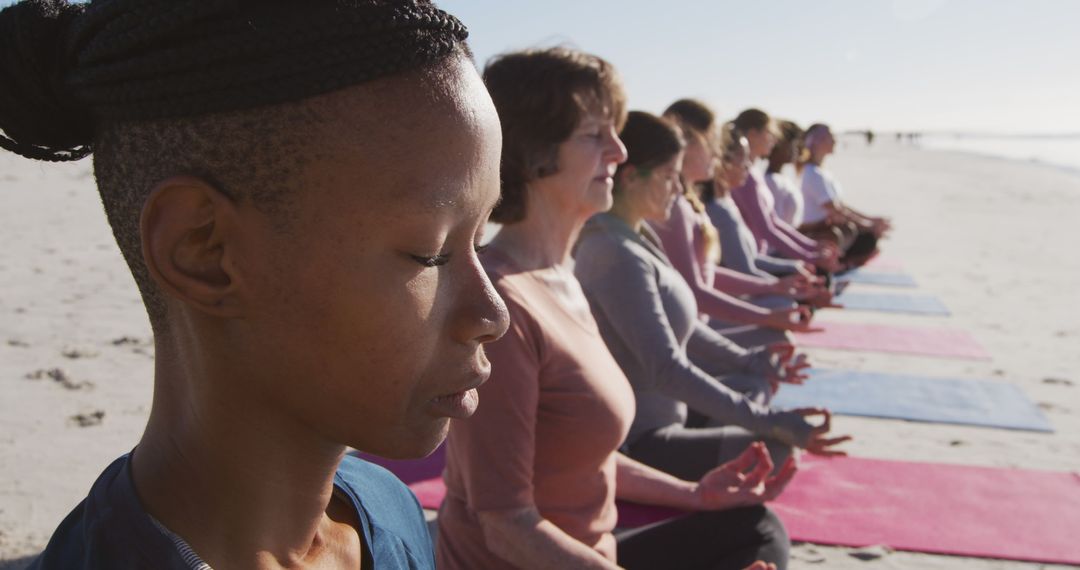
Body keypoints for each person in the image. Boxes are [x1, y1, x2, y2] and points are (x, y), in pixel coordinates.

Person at [1, 1, 510, 568]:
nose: (492, 314)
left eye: (480, 242)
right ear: (205, 253)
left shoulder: (386, 506)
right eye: (431, 253)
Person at [439, 48, 797, 570]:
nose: (619, 151)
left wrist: (695, 494)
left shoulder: (562, 278)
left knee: (754, 525)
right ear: (534, 154)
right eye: (595, 135)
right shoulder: (502, 306)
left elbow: (587, 456)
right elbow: (505, 527)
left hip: (593, 553)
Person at [575, 110, 849, 484]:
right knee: (778, 451)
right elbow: (666, 366)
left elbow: (683, 329)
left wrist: (751, 361)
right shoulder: (614, 252)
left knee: (755, 391)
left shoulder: (637, 237)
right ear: (631, 178)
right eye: (670, 177)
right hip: (642, 440)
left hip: (673, 414)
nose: (678, 188)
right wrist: (772, 421)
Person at [652, 100, 819, 340]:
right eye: (712, 143)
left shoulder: (687, 204)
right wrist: (765, 314)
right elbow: (695, 291)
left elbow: (706, 275)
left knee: (779, 309)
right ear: (686, 144)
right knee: (776, 331)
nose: (717, 153)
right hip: (689, 331)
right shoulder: (676, 209)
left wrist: (775, 286)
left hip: (696, 323)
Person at [704, 126, 834, 309]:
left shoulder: (727, 202)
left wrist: (798, 265)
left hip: (755, 273)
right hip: (740, 292)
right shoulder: (718, 210)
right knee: (785, 304)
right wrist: (788, 286)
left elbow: (751, 257)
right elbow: (742, 270)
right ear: (722, 163)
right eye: (743, 159)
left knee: (803, 282)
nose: (748, 166)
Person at [729, 109, 840, 273]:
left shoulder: (753, 173)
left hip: (763, 252)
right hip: (758, 257)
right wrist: (809, 256)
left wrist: (812, 248)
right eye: (770, 133)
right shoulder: (745, 177)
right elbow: (765, 229)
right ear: (753, 134)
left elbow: (773, 221)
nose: (774, 140)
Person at [798, 123, 891, 269]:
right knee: (866, 239)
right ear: (817, 142)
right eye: (830, 137)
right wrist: (868, 225)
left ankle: (842, 262)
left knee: (866, 237)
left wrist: (870, 220)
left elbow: (840, 205)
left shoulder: (819, 172)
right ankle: (840, 264)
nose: (835, 141)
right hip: (818, 232)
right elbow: (835, 209)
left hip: (828, 229)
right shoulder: (813, 174)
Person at [763, 120, 805, 227]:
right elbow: (776, 225)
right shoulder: (771, 181)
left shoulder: (780, 179)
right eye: (792, 144)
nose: (796, 149)